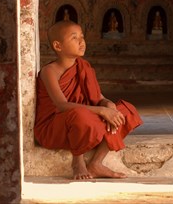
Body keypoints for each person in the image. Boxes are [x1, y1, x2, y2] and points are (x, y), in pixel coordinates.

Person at [34, 20, 143, 180]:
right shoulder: (49, 71)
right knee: (80, 115)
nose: (81, 41)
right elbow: (62, 105)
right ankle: (78, 161)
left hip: (83, 120)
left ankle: (96, 163)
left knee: (125, 111)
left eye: (82, 36)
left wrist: (108, 105)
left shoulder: (83, 66)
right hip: (55, 126)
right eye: (74, 38)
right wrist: (101, 111)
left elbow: (98, 97)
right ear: (58, 46)